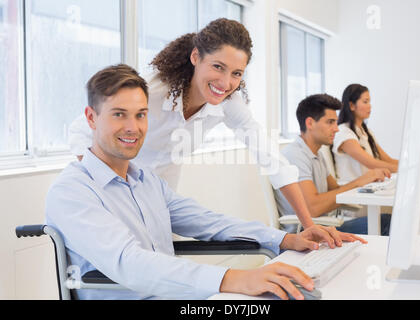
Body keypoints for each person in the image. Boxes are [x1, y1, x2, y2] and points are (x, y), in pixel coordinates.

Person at [46, 64, 366, 300]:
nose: (133, 127)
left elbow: (210, 222)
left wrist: (283, 240)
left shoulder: (147, 182)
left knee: (290, 296)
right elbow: (129, 263)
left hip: (181, 300)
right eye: (119, 114)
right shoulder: (72, 192)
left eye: (141, 114)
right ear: (91, 118)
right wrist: (232, 278)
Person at [68, 18, 330, 231]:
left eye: (236, 73)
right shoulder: (153, 90)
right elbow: (80, 130)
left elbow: (273, 160)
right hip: (112, 193)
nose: (226, 83)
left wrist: (308, 225)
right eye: (218, 66)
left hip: (160, 199)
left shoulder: (229, 103)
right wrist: (108, 190)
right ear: (196, 57)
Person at [274, 94, 391, 235]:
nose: (336, 129)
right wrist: (360, 181)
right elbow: (313, 208)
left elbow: (335, 190)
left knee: (385, 221)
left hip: (324, 228)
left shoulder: (317, 153)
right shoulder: (295, 155)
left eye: (335, 122)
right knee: (386, 222)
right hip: (307, 233)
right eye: (330, 122)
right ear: (310, 123)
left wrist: (367, 183)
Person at [332, 84, 399, 184]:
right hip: (351, 191)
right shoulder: (343, 132)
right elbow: (371, 163)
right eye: (365, 102)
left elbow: (387, 159)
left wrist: (411, 166)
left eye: (369, 102)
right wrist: (405, 170)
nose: (370, 106)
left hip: (367, 187)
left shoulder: (365, 131)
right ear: (351, 106)